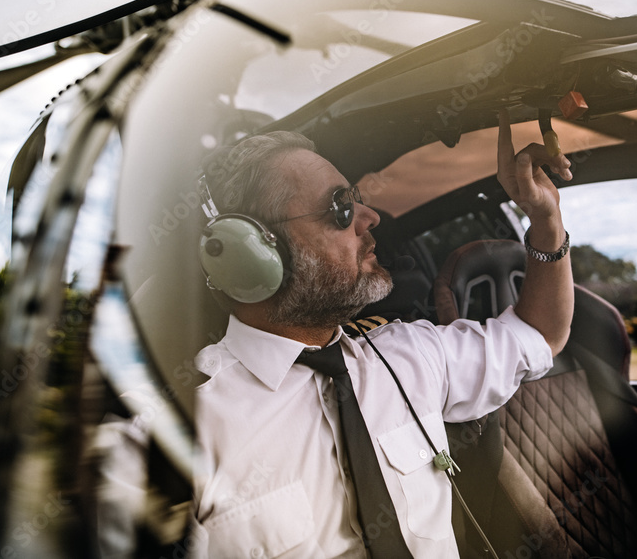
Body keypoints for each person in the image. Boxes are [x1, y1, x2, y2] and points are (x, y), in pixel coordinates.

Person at [192, 112, 574, 557]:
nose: (370, 216)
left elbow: (541, 335)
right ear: (249, 251)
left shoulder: (408, 354)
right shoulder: (181, 434)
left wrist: (546, 220)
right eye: (340, 207)